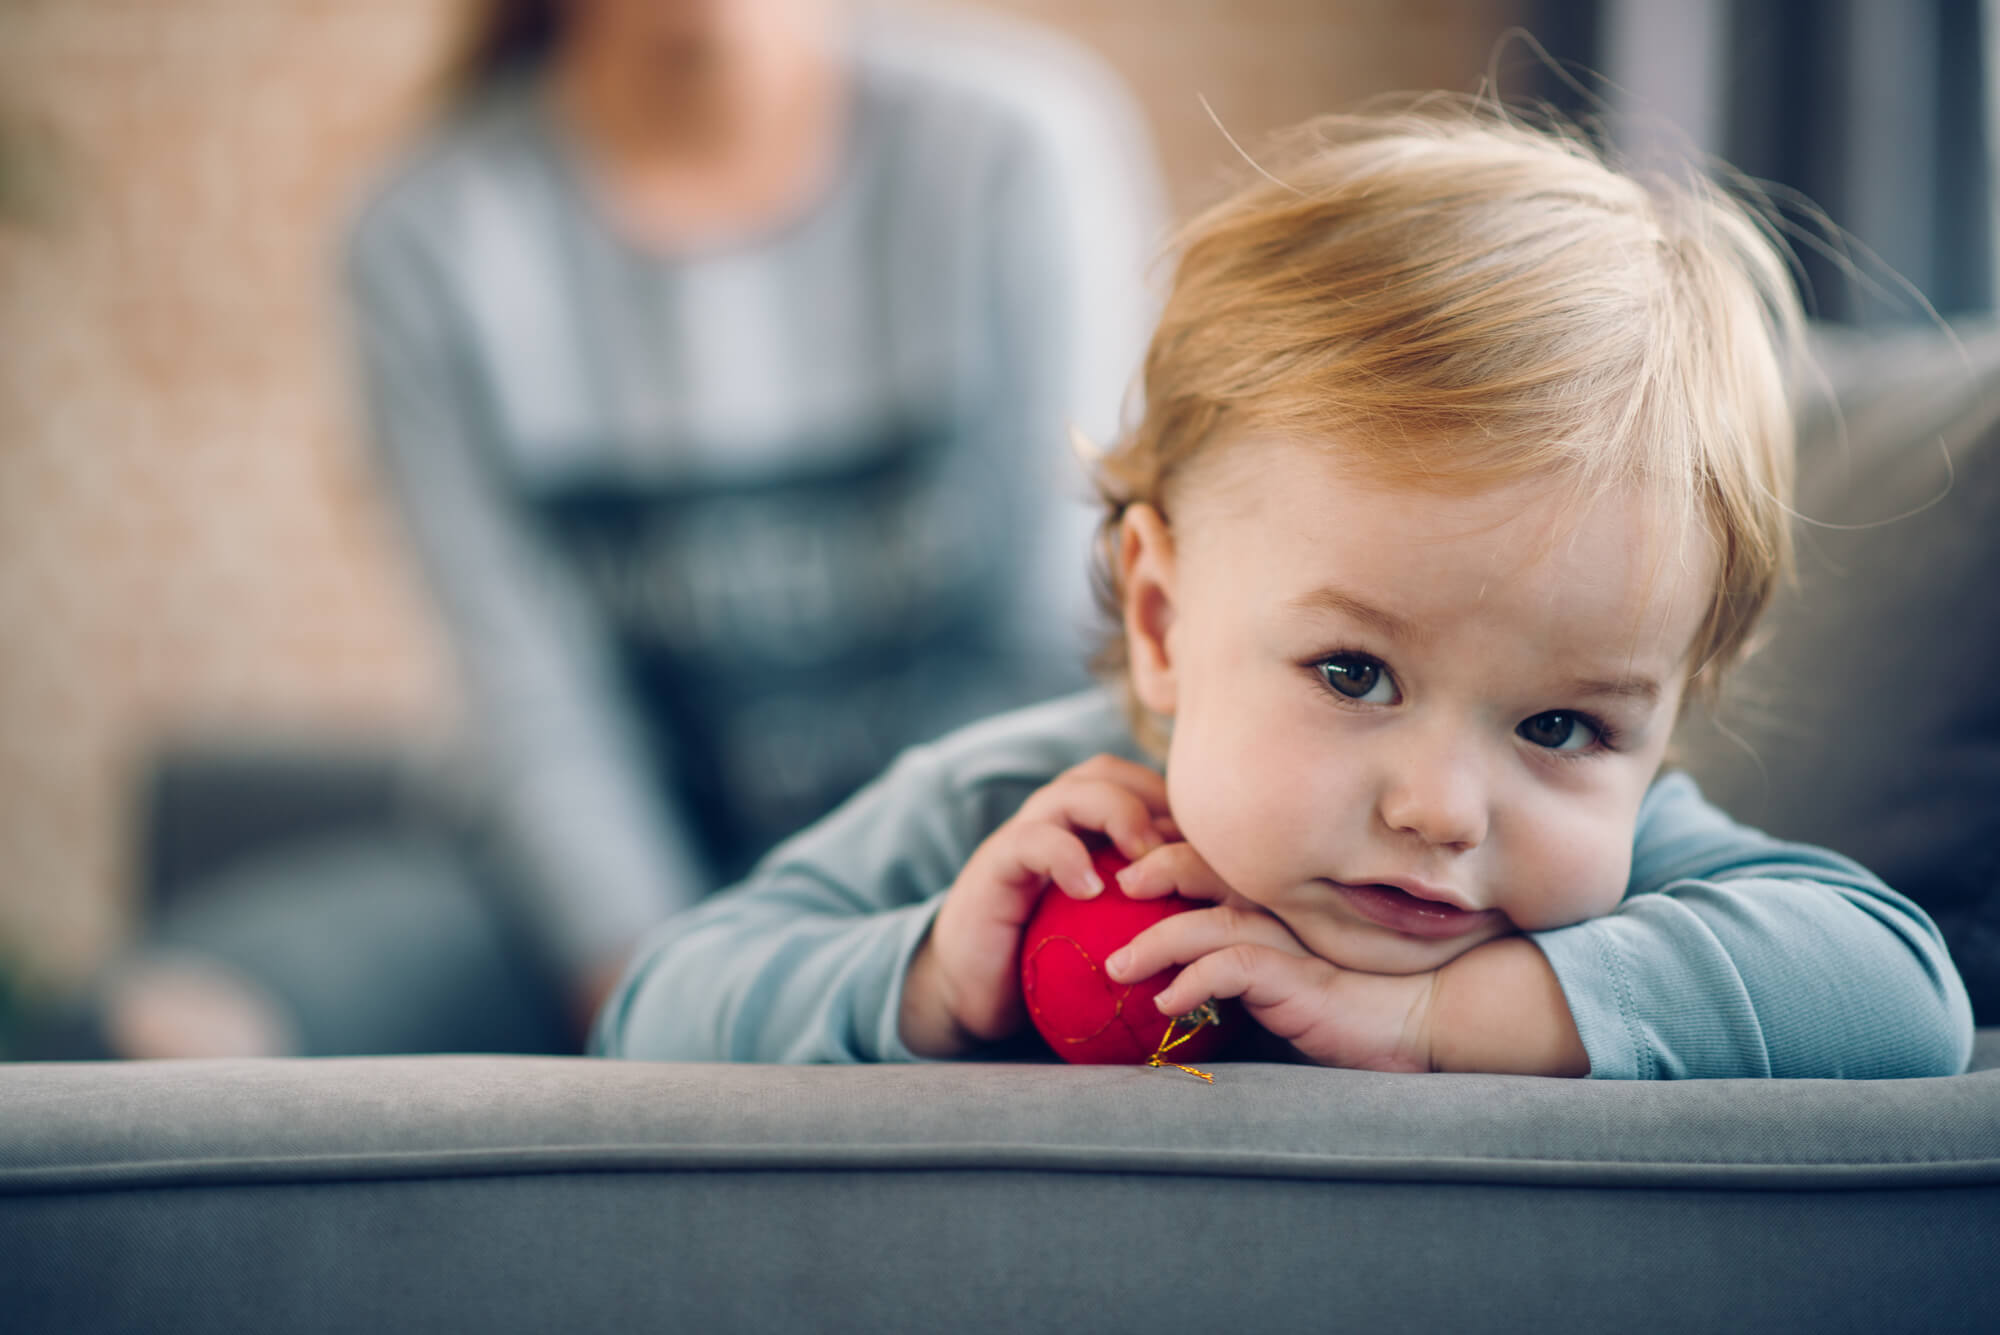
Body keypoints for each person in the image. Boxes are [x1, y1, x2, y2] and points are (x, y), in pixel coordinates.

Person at [592, 101, 1975, 1077]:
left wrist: (1443, 1021)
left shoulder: (1618, 888)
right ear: (1160, 622)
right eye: (1353, 673)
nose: (1441, 806)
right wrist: (933, 975)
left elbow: (1903, 992)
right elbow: (655, 1007)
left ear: (1664, 723)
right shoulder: (1017, 828)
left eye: (1563, 727)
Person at [72, 0, 1165, 1059]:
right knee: (159, 1029)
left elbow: (1049, 626)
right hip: (573, 912)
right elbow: (532, 700)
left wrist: (868, 940)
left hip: (936, 866)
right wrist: (663, 996)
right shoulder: (428, 230)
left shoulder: (1013, 145)